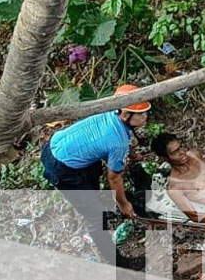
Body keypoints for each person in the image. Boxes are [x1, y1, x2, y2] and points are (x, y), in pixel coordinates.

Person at [41, 84, 150, 269]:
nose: (145, 117)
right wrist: (124, 204)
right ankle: (119, 262)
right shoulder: (117, 142)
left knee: (93, 183)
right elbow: (114, 177)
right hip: (62, 168)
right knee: (95, 217)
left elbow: (112, 144)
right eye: (140, 114)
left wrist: (130, 156)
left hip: (58, 145)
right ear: (125, 115)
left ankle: (100, 204)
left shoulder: (108, 112)